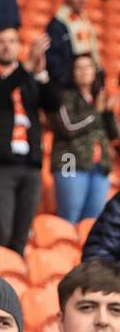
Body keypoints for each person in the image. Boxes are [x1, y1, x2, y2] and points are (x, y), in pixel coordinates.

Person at [0, 27, 58, 255]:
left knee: (20, 239)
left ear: (19, 45)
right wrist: (26, 68)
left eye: (12, 41)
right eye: (1, 41)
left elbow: (54, 105)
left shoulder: (30, 79)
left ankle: (11, 286)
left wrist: (40, 74)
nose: (7, 46)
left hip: (29, 167)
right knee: (1, 234)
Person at [51, 53, 117, 225]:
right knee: (69, 214)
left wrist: (108, 112)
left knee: (93, 222)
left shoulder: (99, 98)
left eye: (87, 67)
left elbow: (113, 135)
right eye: (78, 67)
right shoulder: (64, 96)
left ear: (95, 71)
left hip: (99, 165)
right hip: (69, 160)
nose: (83, 71)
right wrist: (97, 112)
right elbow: (68, 128)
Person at [46, 0, 99, 91]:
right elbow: (55, 64)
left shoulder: (85, 21)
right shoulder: (57, 25)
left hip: (86, 87)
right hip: (68, 89)